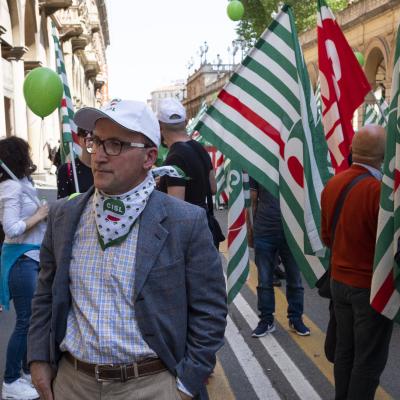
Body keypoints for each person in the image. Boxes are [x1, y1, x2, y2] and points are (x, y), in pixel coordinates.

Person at [27, 99, 227, 400]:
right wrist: (39, 359)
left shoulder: (184, 221)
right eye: (96, 141)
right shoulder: (63, 217)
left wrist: (185, 386)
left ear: (149, 157)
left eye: (116, 145)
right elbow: (45, 296)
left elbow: (210, 311)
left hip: (151, 385)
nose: (99, 156)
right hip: (73, 383)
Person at [321, 125, 393, 400]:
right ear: (383, 156)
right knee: (368, 359)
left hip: (339, 283)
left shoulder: (333, 183)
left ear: (353, 150)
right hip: (369, 288)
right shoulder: (380, 193)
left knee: (345, 352)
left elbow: (327, 237)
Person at [0, 137, 49, 400]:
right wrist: (39, 216)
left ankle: (22, 371)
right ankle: (9, 380)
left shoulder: (22, 183)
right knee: (25, 321)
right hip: (20, 259)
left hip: (31, 258)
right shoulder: (11, 187)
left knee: (31, 320)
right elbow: (11, 228)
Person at [249, 177, 310, 337]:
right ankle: (266, 320)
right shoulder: (261, 162)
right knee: (264, 281)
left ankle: (296, 319)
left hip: (293, 231)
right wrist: (251, 230)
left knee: (295, 279)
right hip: (264, 230)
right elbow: (252, 201)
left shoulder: (295, 157)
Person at [157, 98, 216, 206]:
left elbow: (176, 209)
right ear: (185, 121)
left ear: (159, 126)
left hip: (190, 223)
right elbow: (213, 188)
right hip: (206, 220)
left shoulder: (174, 158)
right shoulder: (200, 148)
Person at [56, 127, 93, 198]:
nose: (89, 137)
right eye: (85, 133)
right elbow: (62, 204)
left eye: (93, 134)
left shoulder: (107, 168)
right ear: (79, 139)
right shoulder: (66, 170)